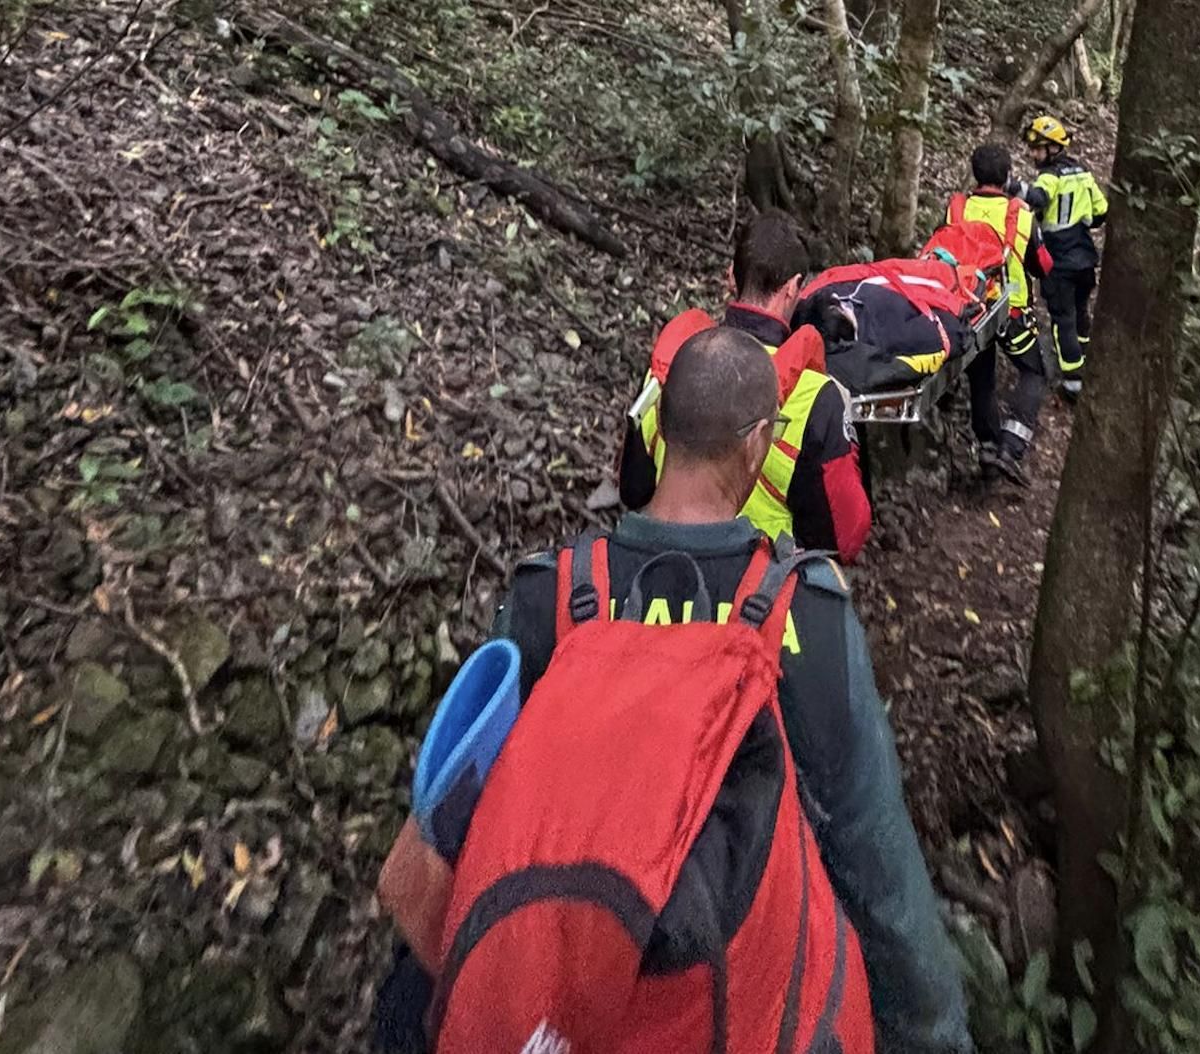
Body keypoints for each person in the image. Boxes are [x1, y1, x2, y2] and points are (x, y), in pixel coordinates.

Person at [398, 327, 967, 1053]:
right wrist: (932, 1031)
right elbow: (871, 849)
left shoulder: (551, 595)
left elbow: (460, 827)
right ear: (758, 445)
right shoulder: (806, 611)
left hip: (551, 998)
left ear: (661, 427)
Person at [619, 210, 872, 562]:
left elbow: (634, 489)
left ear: (731, 278)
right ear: (793, 287)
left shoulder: (673, 364)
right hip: (761, 592)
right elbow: (845, 535)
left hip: (662, 568)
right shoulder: (816, 396)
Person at [943, 142, 1054, 484]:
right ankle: (1012, 445)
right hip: (1011, 312)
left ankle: (989, 448)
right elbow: (1042, 265)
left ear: (975, 176)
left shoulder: (957, 208)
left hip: (971, 308)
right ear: (1007, 177)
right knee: (1035, 371)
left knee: (982, 379)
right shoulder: (1019, 213)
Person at [1016, 114, 1108, 402]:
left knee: (1063, 319)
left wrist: (1013, 188)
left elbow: (1039, 198)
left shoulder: (1049, 176)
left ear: (1053, 149)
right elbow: (1101, 213)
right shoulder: (1082, 172)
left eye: (1037, 148)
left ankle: (1072, 382)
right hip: (1084, 256)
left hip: (1059, 261)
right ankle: (1084, 360)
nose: (1033, 154)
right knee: (1080, 312)